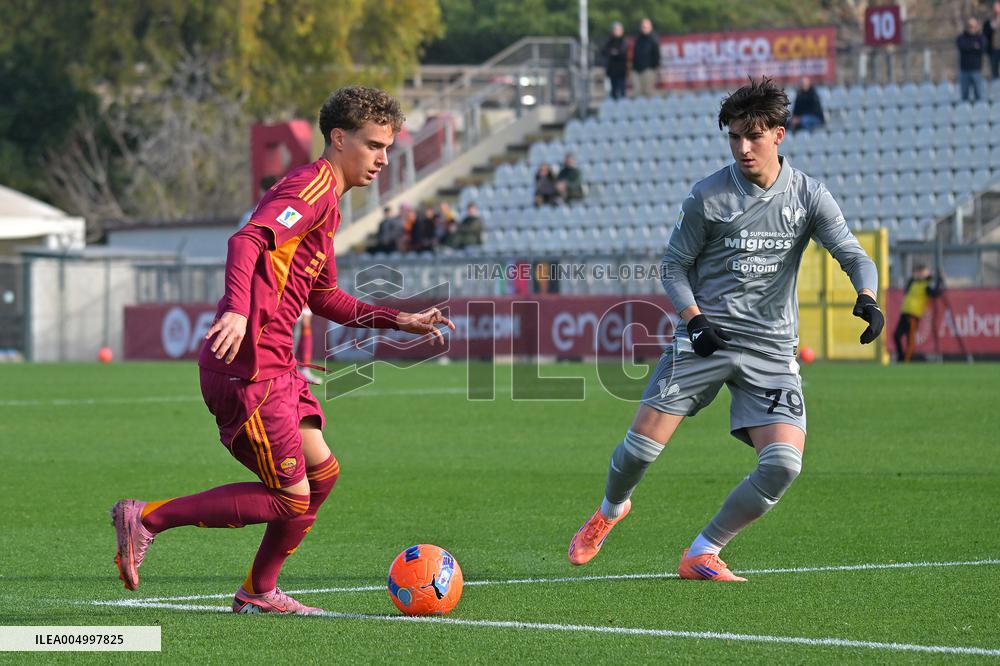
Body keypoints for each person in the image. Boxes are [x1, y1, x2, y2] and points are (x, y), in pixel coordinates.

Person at [110, 86, 455, 614]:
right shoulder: (311, 188)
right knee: (288, 497)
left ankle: (258, 590)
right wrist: (236, 309)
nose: (385, 159)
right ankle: (149, 517)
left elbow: (325, 296)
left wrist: (398, 318)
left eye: (388, 147)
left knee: (323, 475)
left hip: (277, 364)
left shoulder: (329, 203)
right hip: (249, 367)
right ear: (339, 139)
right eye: (375, 145)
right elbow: (245, 241)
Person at [568, 77, 884, 582]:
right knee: (640, 450)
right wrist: (694, 322)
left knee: (783, 466)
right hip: (704, 339)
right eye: (734, 136)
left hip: (773, 350)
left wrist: (867, 297)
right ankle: (610, 509)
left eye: (752, 136)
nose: (741, 147)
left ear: (778, 134)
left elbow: (852, 255)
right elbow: (673, 266)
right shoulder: (708, 197)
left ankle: (703, 551)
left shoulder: (809, 196)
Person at [893, 264, 942, 363]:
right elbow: (909, 283)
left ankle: (906, 361)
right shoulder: (914, 283)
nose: (920, 274)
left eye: (922, 272)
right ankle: (901, 356)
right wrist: (916, 275)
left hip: (913, 316)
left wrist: (939, 279)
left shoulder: (926, 286)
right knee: (896, 335)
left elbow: (935, 292)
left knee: (910, 339)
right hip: (904, 313)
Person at [957, 18, 986, 103]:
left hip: (977, 70)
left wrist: (969, 47)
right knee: (964, 96)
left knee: (979, 95)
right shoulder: (961, 37)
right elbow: (962, 46)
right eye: (969, 26)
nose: (971, 28)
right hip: (964, 70)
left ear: (976, 27)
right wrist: (974, 46)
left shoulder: (980, 37)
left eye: (973, 26)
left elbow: (983, 47)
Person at [631, 18, 661, 98]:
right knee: (636, 92)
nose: (644, 28)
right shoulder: (638, 39)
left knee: (648, 92)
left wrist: (652, 67)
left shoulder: (653, 39)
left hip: (648, 69)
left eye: (646, 27)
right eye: (643, 27)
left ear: (650, 27)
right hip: (637, 69)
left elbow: (656, 55)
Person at [601, 21, 628, 100]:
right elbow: (604, 52)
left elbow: (622, 53)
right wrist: (613, 52)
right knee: (613, 92)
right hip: (611, 71)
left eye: (618, 30)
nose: (616, 32)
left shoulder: (623, 41)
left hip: (621, 71)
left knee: (622, 91)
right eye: (615, 30)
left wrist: (614, 53)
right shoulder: (609, 41)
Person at [985, 2, 1000, 80]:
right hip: (993, 49)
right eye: (994, 8)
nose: (996, 10)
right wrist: (991, 28)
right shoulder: (989, 22)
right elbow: (985, 35)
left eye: (997, 7)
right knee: (994, 71)